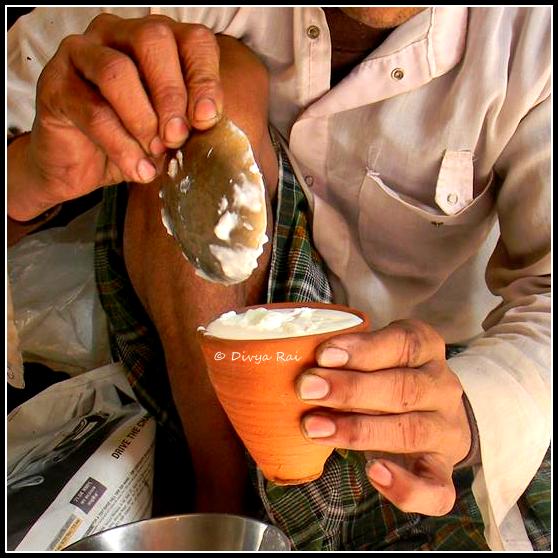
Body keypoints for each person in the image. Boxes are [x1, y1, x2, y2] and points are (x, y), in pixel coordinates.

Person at [7, 6, 550, 551]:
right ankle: (221, 506)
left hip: (431, 388)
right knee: (211, 76)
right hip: (191, 384)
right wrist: (29, 177)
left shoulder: (535, 35)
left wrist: (466, 412)